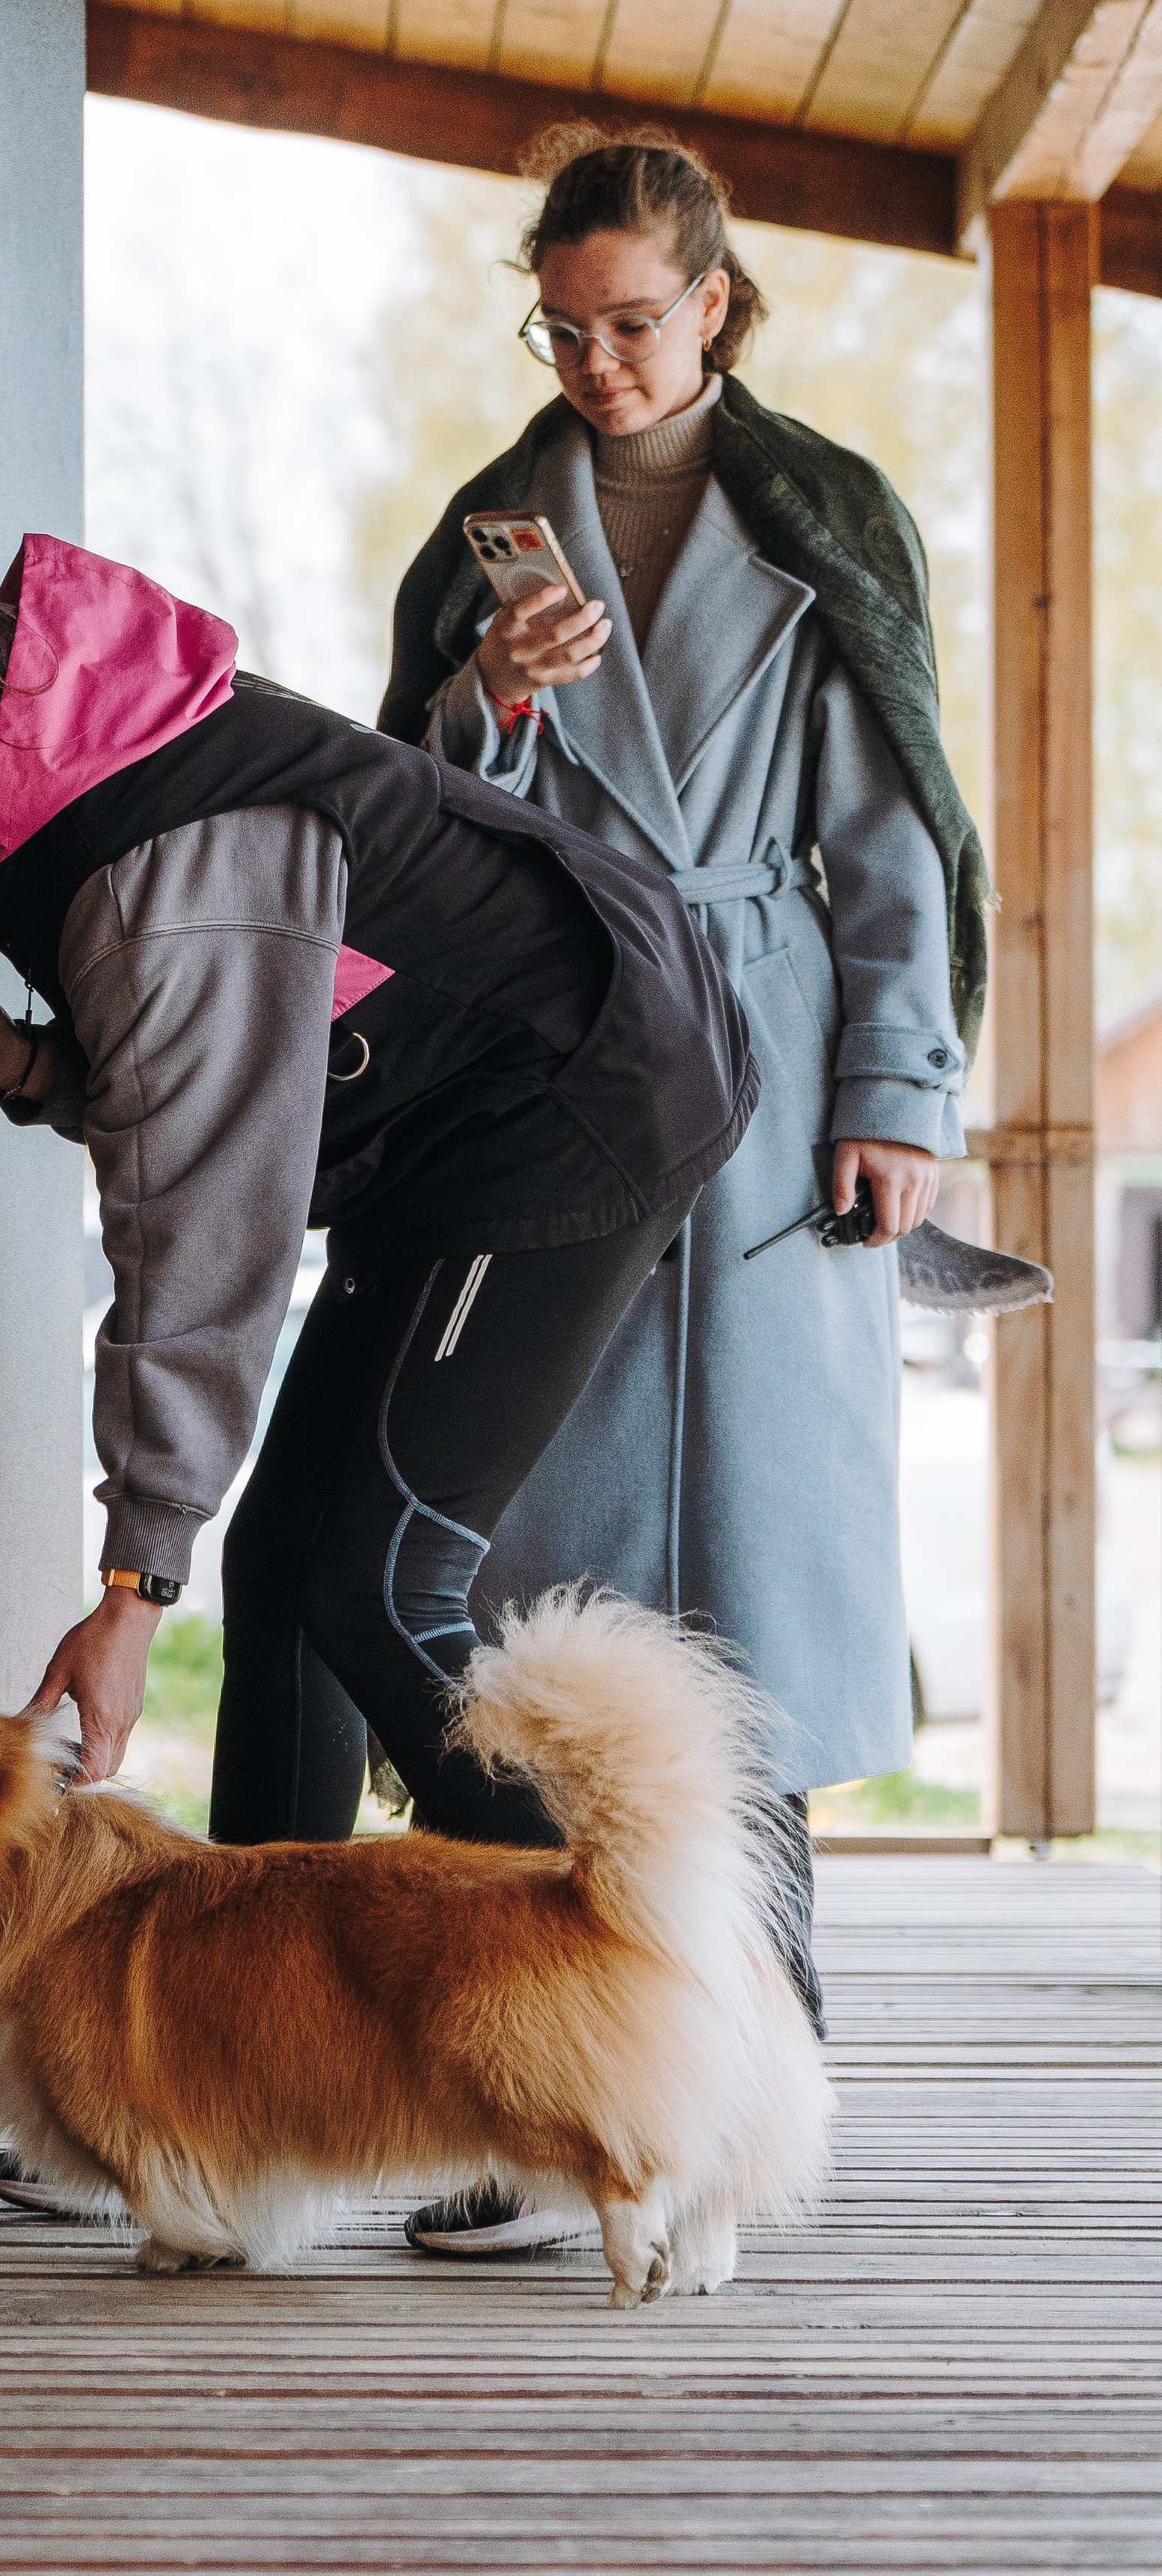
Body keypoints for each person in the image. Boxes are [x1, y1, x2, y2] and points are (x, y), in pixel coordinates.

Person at [0, 529, 765, 2249]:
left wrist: (136, 1579)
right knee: (289, 1575)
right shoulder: (89, 799)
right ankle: (206, 2091)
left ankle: (631, 2039)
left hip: (573, 1095)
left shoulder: (161, 862)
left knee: (368, 1573)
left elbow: (201, 1221)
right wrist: (41, 1066)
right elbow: (203, 1077)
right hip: (447, 1135)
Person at [381, 129, 984, 2077]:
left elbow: (892, 834)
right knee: (537, 1553)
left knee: (758, 1556)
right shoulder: (495, 524)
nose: (597, 366)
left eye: (633, 323)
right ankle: (523, 2043)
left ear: (713, 299)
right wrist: (489, 698)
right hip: (561, 1054)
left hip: (770, 1058)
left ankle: (766, 2020)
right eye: (562, 330)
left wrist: (895, 1083)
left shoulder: (826, 516)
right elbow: (410, 825)